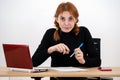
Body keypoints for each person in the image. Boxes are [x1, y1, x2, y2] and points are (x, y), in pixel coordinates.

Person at [32, 2, 101, 80]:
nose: (66, 23)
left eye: (70, 18)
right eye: (62, 19)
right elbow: (33, 62)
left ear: (76, 19)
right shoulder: (50, 34)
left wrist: (84, 60)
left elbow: (97, 61)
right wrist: (51, 49)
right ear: (57, 19)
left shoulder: (83, 32)